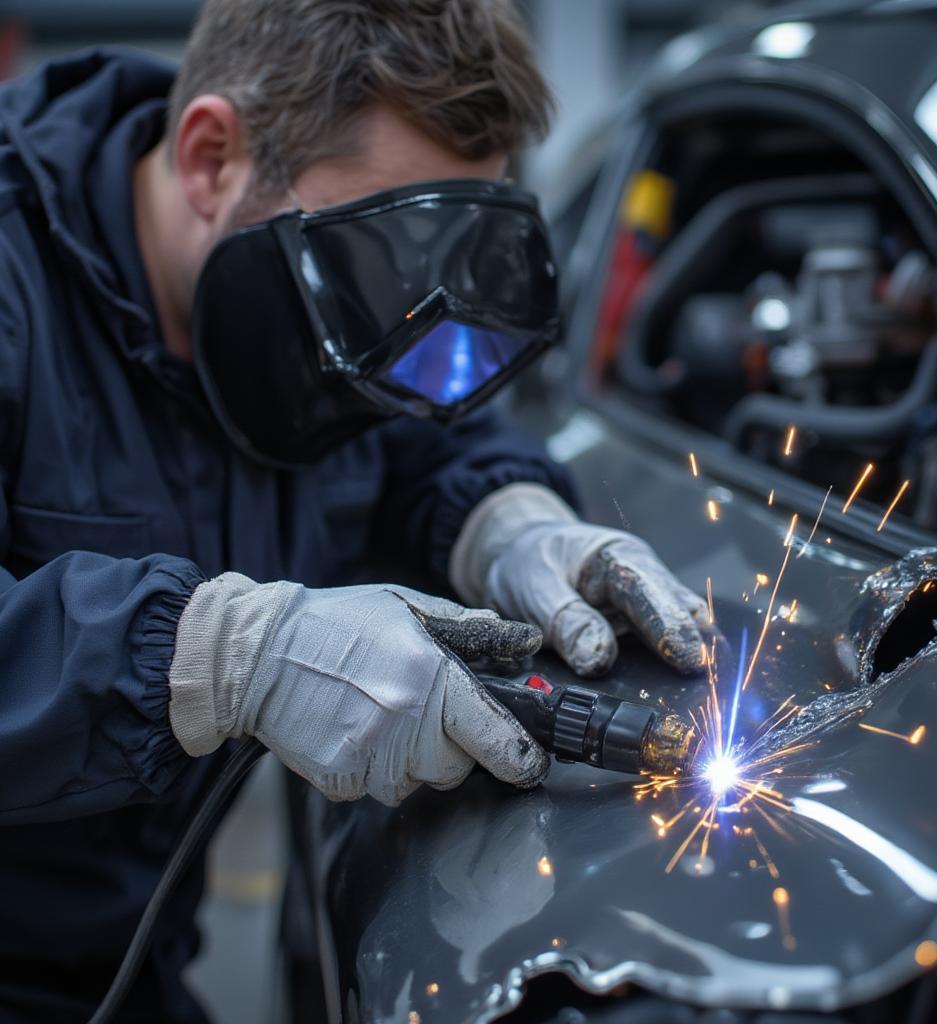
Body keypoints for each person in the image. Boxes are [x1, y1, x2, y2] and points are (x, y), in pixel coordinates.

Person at [0, 1, 710, 1019]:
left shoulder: (303, 313)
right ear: (210, 158)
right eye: (383, 264)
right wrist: (221, 656)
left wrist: (505, 516)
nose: (403, 322)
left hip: (130, 967)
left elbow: (410, 436)